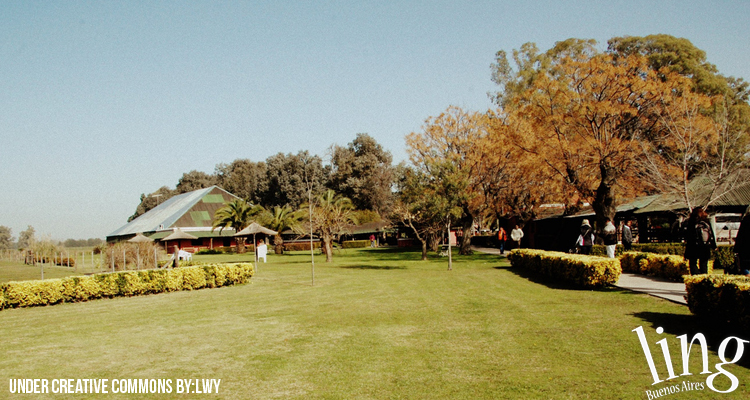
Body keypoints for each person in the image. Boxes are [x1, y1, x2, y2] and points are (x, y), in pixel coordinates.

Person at [684, 207, 717, 275]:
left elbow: (689, 236)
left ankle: (695, 278)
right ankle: (703, 278)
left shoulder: (691, 222)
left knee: (693, 263)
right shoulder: (706, 221)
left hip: (694, 246)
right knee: (704, 264)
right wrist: (714, 246)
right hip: (705, 246)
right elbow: (711, 234)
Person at [733, 206, 750, 275]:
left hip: (746, 248)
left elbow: (740, 236)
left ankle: (747, 278)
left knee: (745, 266)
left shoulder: (745, 220)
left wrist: (736, 249)